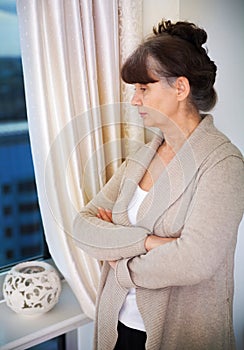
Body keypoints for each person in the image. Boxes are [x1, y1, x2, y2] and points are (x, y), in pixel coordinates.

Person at [73, 19, 244, 350]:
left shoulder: (224, 166)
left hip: (180, 336)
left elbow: (193, 260)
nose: (135, 101)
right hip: (118, 326)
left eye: (143, 88)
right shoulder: (142, 156)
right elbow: (83, 225)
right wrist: (150, 242)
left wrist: (117, 258)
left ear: (180, 89)